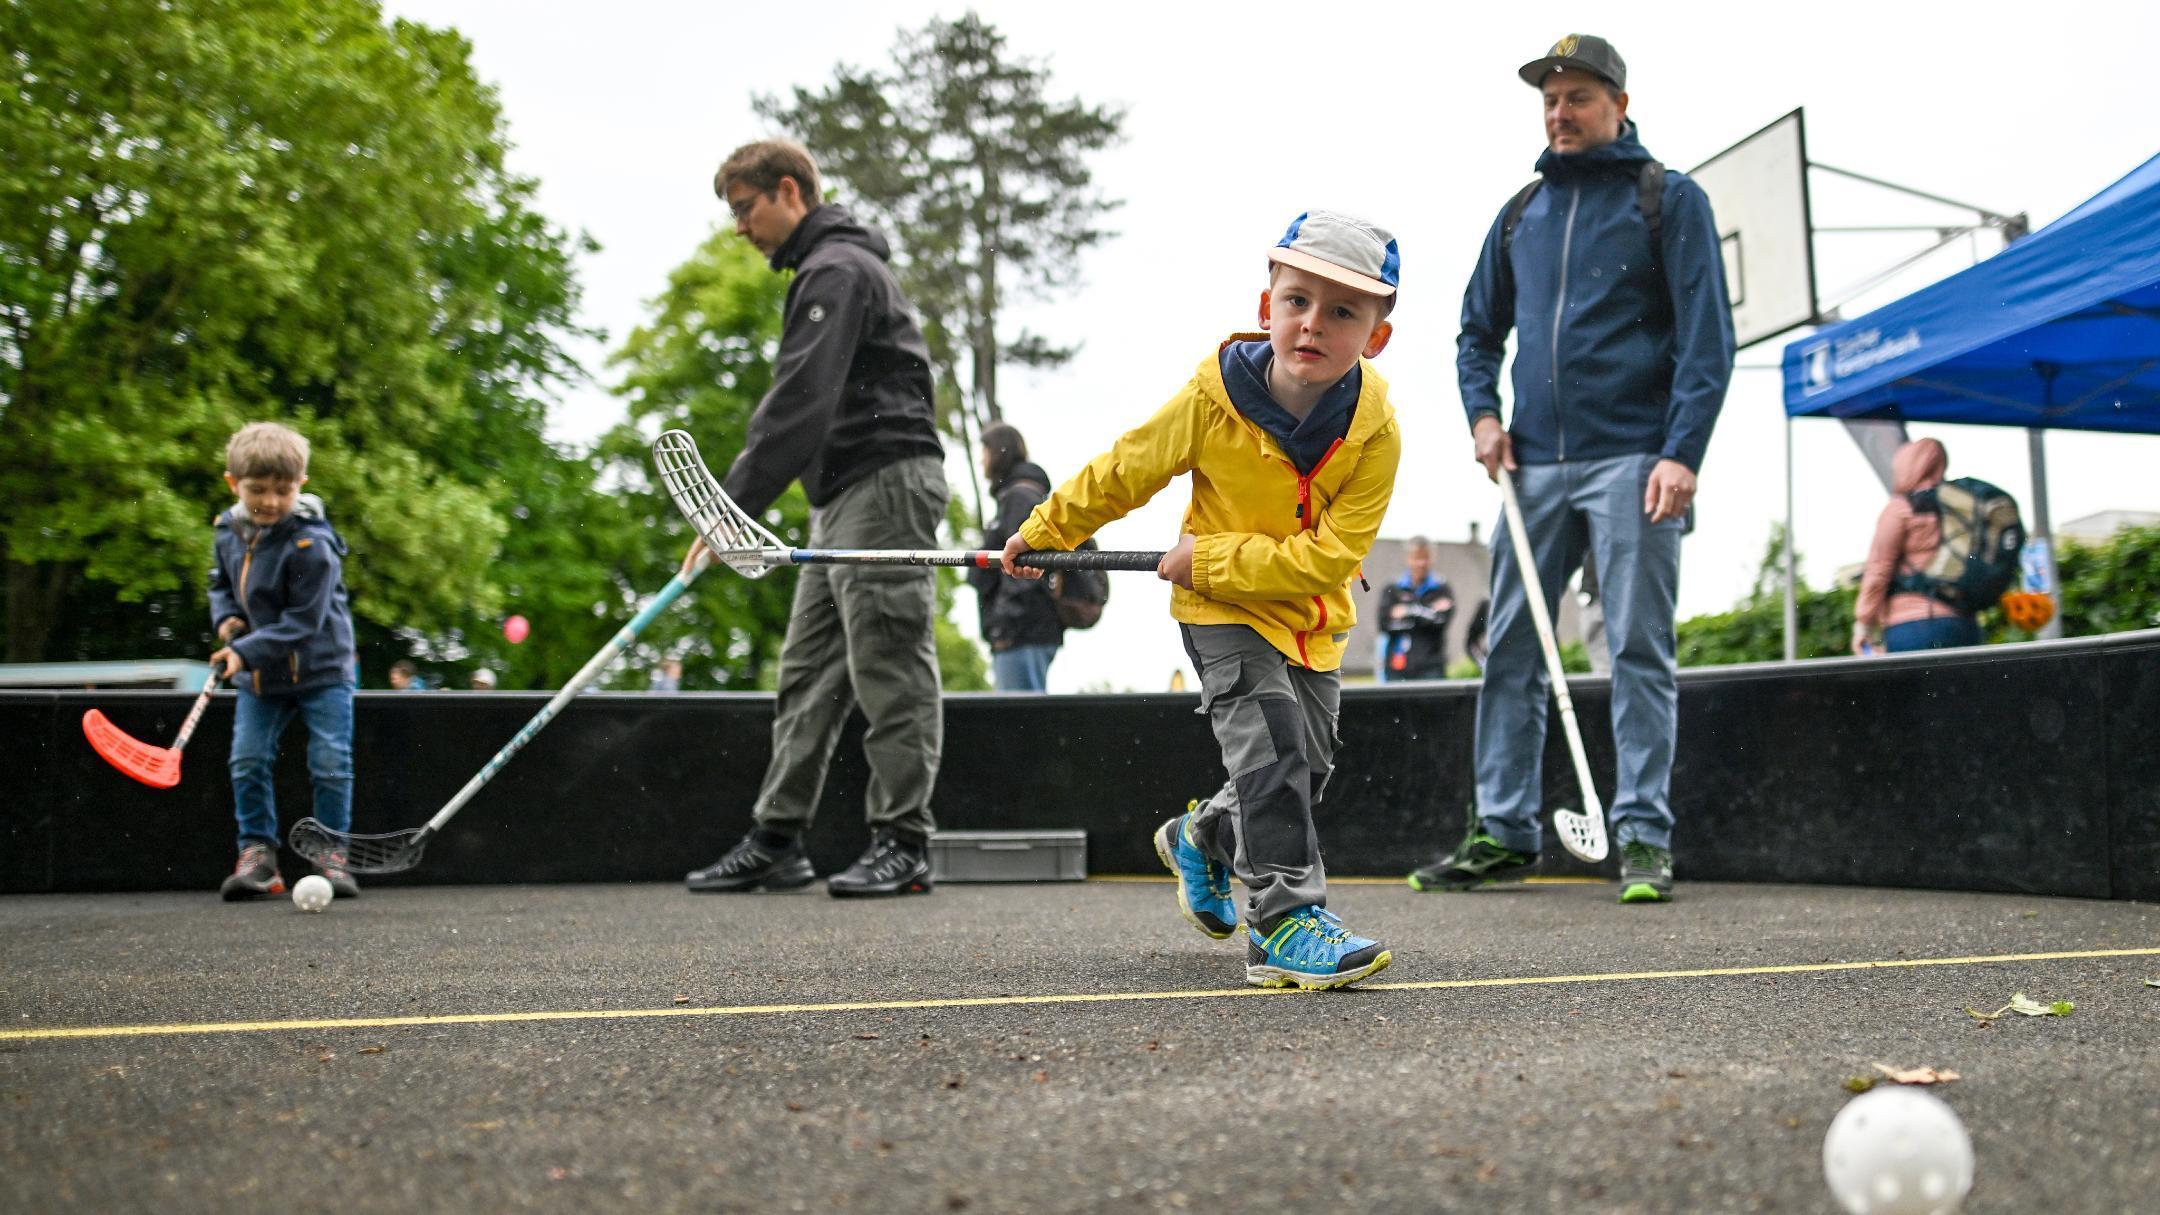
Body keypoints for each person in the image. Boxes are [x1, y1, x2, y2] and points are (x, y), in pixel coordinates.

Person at [1003, 210, 1404, 990]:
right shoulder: (1212, 397)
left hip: (1309, 617)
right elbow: (1128, 468)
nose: (1313, 324)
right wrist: (1048, 529)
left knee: (1303, 765)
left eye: (1344, 311)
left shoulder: (1377, 433)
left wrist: (1209, 556)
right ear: (1267, 308)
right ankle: (1286, 922)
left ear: (1375, 338)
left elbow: (1330, 557)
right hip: (1219, 614)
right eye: (1297, 301)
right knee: (1276, 750)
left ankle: (1201, 834)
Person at [1412, 35, 1735, 905]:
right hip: (1534, 467)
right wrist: (1483, 416)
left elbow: (1708, 340)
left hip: (1637, 461)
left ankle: (1642, 836)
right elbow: (1477, 332)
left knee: (1636, 645)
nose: (1560, 111)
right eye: (1550, 98)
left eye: (1579, 96)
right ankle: (1504, 829)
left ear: (1619, 105)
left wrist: (1683, 452)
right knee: (1511, 644)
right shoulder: (1521, 213)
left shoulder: (1669, 199)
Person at [683, 139, 948, 899]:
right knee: (807, 670)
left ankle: (903, 840)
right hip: (838, 498)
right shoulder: (823, 271)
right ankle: (777, 838)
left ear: (788, 191)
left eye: (744, 208)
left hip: (887, 483)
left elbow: (802, 397)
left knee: (888, 658)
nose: (739, 228)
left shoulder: (839, 270)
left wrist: (727, 507)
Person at [206, 422, 360, 901]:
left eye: (283, 490)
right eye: (258, 490)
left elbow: (304, 623)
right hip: (260, 675)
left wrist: (242, 650)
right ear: (233, 483)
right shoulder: (227, 532)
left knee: (330, 761)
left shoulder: (313, 543)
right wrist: (228, 621)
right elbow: (219, 584)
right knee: (247, 760)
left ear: (302, 485)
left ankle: (331, 854)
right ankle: (258, 858)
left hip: (323, 670)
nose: (271, 501)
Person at [1852, 438, 1982, 654]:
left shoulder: (1900, 509)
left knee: (1914, 689)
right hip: (1962, 624)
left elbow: (1878, 569)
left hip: (1912, 627)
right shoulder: (1961, 507)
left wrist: (1863, 625)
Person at [969, 422, 1064, 691]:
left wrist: (1004, 627)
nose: (981, 460)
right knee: (1024, 716)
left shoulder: (1019, 497)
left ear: (999, 453)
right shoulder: (1018, 495)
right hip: (1027, 630)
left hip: (1023, 633)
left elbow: (1025, 566)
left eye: (985, 451)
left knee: (1022, 722)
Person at [1377, 536, 1455, 681]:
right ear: (1408, 558)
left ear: (1432, 558)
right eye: (1416, 558)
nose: (1421, 564)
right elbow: (1384, 624)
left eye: (1425, 558)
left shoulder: (1442, 588)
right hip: (1397, 667)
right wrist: (1426, 613)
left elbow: (1441, 623)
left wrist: (1408, 612)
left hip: (1431, 668)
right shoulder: (1393, 589)